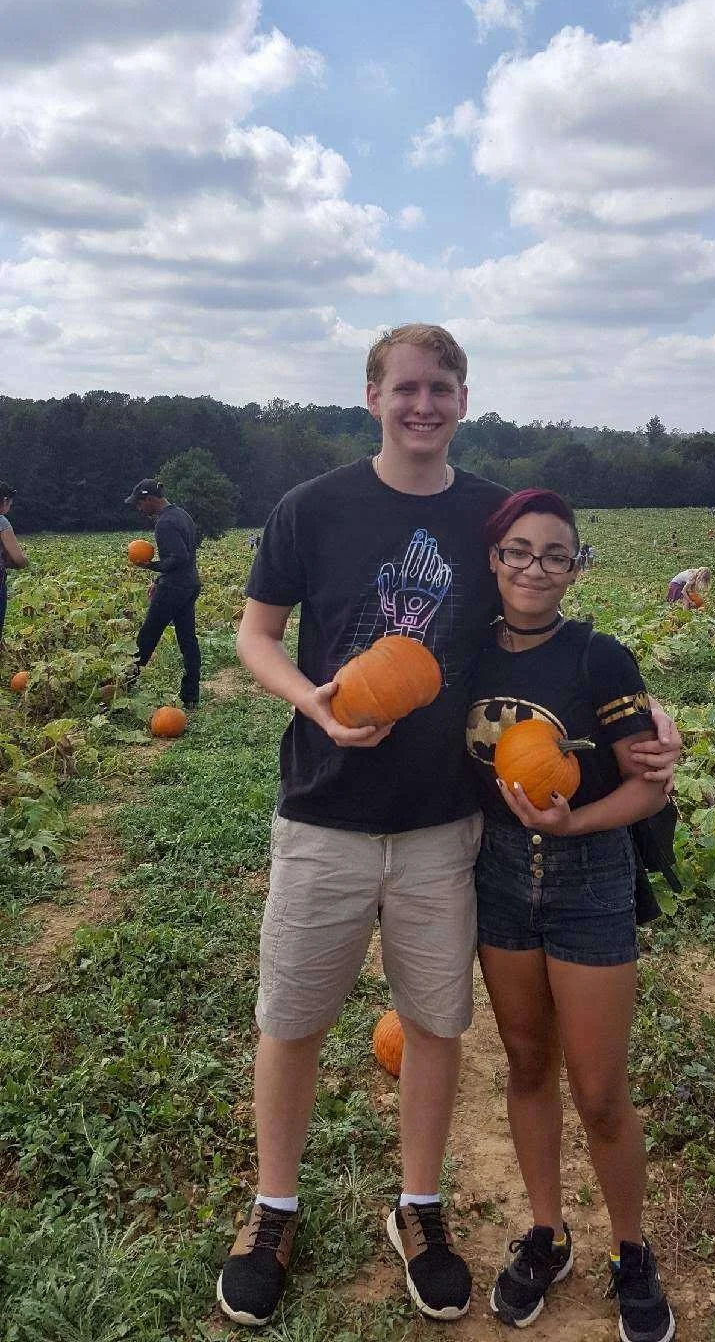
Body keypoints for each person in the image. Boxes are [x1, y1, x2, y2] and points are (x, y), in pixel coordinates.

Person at [218, 323, 683, 1329]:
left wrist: (645, 731)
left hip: (444, 827)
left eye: (442, 388)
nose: (423, 405)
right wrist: (313, 700)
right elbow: (254, 633)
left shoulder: (488, 518)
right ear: (372, 394)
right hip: (325, 813)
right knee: (291, 1019)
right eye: (405, 388)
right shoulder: (313, 508)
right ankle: (273, 1209)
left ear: (465, 399)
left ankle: (420, 1208)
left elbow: (538, 630)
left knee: (434, 1023)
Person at [465, 490, 674, 1342]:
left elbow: (646, 779)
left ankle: (632, 1251)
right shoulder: (469, 654)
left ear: (577, 567)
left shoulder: (599, 657)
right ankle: (547, 1235)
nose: (534, 569)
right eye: (519, 551)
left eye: (556, 554)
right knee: (523, 1063)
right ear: (495, 560)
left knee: (599, 1091)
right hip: (499, 876)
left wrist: (575, 821)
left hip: (588, 876)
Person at [124, 479, 201, 707]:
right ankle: (191, 695)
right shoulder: (182, 515)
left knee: (147, 636)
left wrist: (149, 566)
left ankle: (123, 687)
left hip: (174, 588)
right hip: (189, 584)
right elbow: (183, 557)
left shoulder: (165, 522)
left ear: (150, 499)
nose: (139, 508)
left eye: (140, 503)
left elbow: (178, 558)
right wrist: (159, 578)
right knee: (188, 639)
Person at [0, 482, 29, 644]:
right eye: (9, 503)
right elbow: (18, 559)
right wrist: (24, 562)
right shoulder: (1, 522)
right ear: (4, 501)